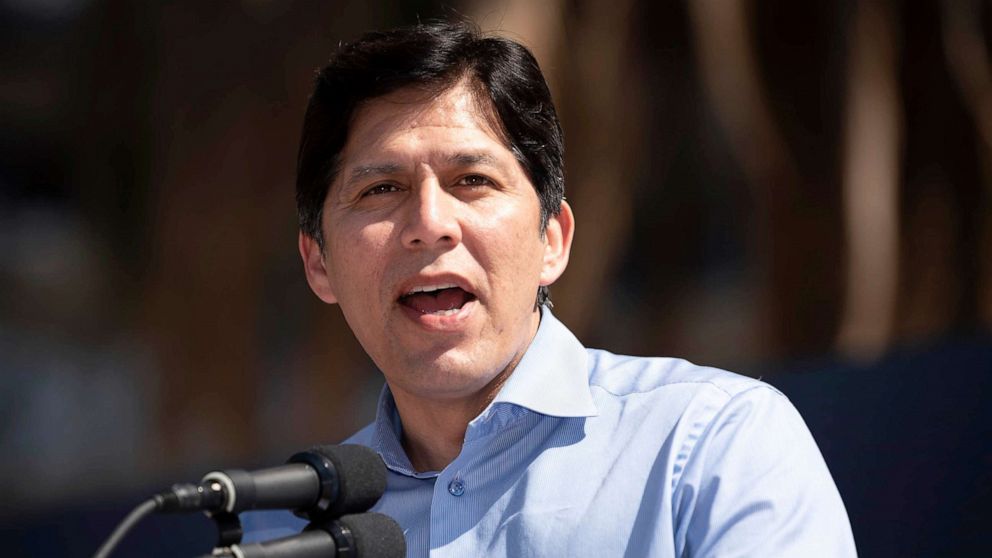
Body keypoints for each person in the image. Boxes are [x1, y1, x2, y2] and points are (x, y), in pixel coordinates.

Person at [243, 20, 857, 557]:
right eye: (381, 190)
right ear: (318, 262)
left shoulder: (711, 447)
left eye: (472, 180)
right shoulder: (291, 529)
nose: (429, 224)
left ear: (553, 240)